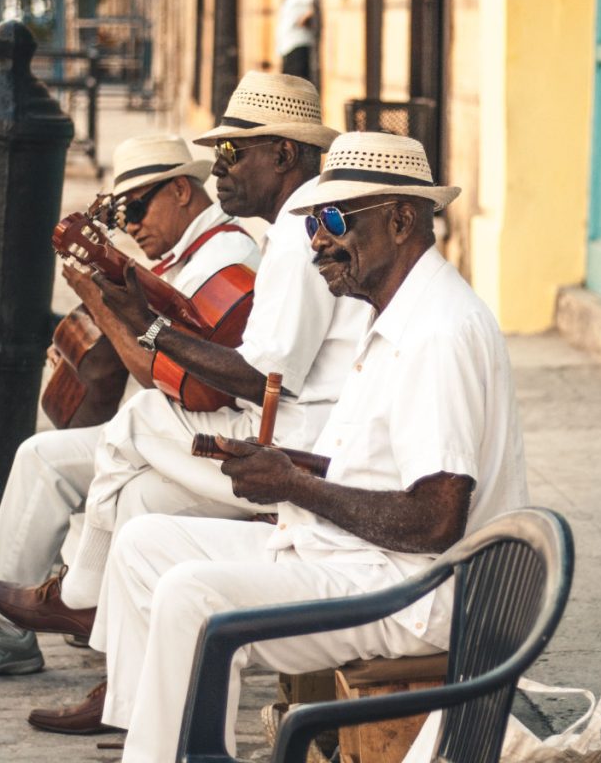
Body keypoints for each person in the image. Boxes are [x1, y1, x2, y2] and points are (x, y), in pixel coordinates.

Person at [84, 131, 530, 761]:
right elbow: (383, 469)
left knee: (191, 596)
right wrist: (290, 466)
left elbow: (436, 519)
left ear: (401, 221)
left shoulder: (438, 333)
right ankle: (158, 739)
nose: (317, 239)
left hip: (416, 590)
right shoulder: (396, 309)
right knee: (143, 544)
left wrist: (296, 486)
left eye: (333, 219)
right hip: (370, 558)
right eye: (314, 221)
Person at [0, 71, 372, 734]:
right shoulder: (296, 227)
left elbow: (258, 378)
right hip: (295, 431)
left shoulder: (301, 233)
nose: (220, 171)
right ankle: (129, 709)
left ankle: (80, 594)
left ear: (283, 154)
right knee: (139, 506)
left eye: (233, 154)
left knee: (138, 419)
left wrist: (153, 328)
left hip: (296, 452)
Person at [0, 134, 262, 682]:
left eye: (136, 208)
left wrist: (104, 305)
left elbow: (175, 380)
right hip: (172, 428)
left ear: (180, 190)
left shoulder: (225, 258)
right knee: (42, 456)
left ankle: (71, 610)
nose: (129, 226)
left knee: (69, 465)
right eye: (120, 215)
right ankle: (17, 625)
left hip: (205, 434)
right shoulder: (185, 256)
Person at [276, 0, 315, 80]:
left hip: (299, 43)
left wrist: (305, 18)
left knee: (298, 81)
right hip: (287, 47)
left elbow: (314, 3)